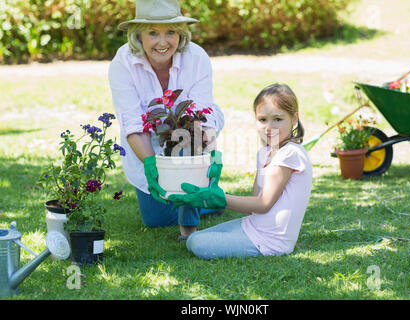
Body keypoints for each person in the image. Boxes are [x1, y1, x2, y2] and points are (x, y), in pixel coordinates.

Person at [108, 0, 224, 241]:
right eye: (153, 33)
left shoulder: (196, 57)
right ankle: (208, 200)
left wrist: (210, 152)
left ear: (180, 33)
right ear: (138, 35)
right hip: (145, 143)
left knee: (184, 135)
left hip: (190, 135)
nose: (162, 42)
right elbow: (132, 121)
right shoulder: (123, 62)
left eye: (170, 32)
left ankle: (189, 226)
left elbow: (203, 114)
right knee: (155, 219)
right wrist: (151, 163)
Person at [169, 83, 313, 259]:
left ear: (294, 118)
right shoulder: (264, 153)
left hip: (271, 241)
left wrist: (219, 198)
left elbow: (263, 203)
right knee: (193, 238)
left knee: (196, 243)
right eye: (262, 119)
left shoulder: (290, 154)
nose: (269, 127)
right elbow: (254, 205)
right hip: (252, 226)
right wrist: (210, 194)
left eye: (277, 119)